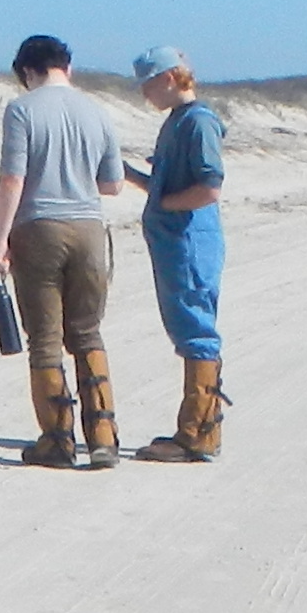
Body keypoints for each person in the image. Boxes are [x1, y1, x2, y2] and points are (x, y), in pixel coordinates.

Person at [0, 34, 127, 468]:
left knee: (45, 340)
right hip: (89, 229)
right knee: (87, 332)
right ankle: (103, 438)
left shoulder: (22, 110)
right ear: (66, 66)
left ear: (28, 71)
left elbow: (13, 178)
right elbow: (113, 184)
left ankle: (57, 440)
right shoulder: (98, 111)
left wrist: (0, 239)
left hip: (39, 229)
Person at [128, 44, 227, 460]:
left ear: (169, 78)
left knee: (196, 330)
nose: (145, 95)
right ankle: (196, 430)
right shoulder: (176, 122)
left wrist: (165, 205)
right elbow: (167, 185)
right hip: (173, 243)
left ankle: (198, 434)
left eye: (147, 86)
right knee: (186, 329)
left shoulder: (198, 123)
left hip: (189, 243)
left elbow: (208, 187)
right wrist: (132, 177)